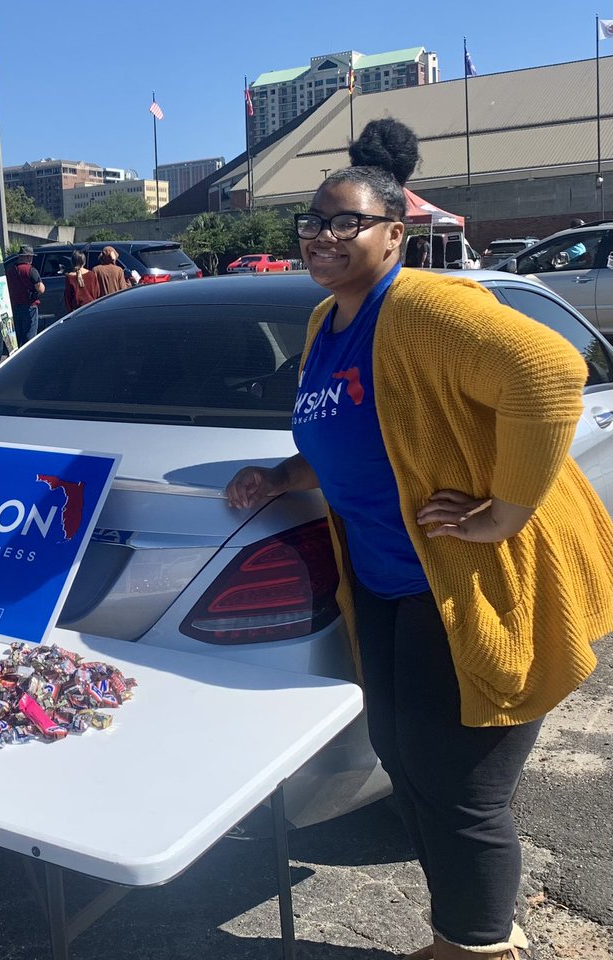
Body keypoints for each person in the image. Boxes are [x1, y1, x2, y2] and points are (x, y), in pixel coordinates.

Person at [225, 118, 612, 960]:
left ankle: (479, 946)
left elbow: (550, 376)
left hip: (468, 578)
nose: (322, 236)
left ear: (394, 234)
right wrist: (286, 478)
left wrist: (507, 508)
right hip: (391, 582)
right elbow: (355, 433)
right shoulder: (329, 323)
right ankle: (464, 933)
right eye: (313, 222)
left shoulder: (425, 309)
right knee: (408, 762)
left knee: (462, 785)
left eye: (345, 222)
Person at [4, 245, 44, 344]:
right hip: (29, 307)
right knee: (30, 336)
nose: (31, 259)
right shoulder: (30, 270)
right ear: (27, 257)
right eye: (31, 256)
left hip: (15, 306)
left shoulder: (9, 270)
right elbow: (41, 289)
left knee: (18, 337)